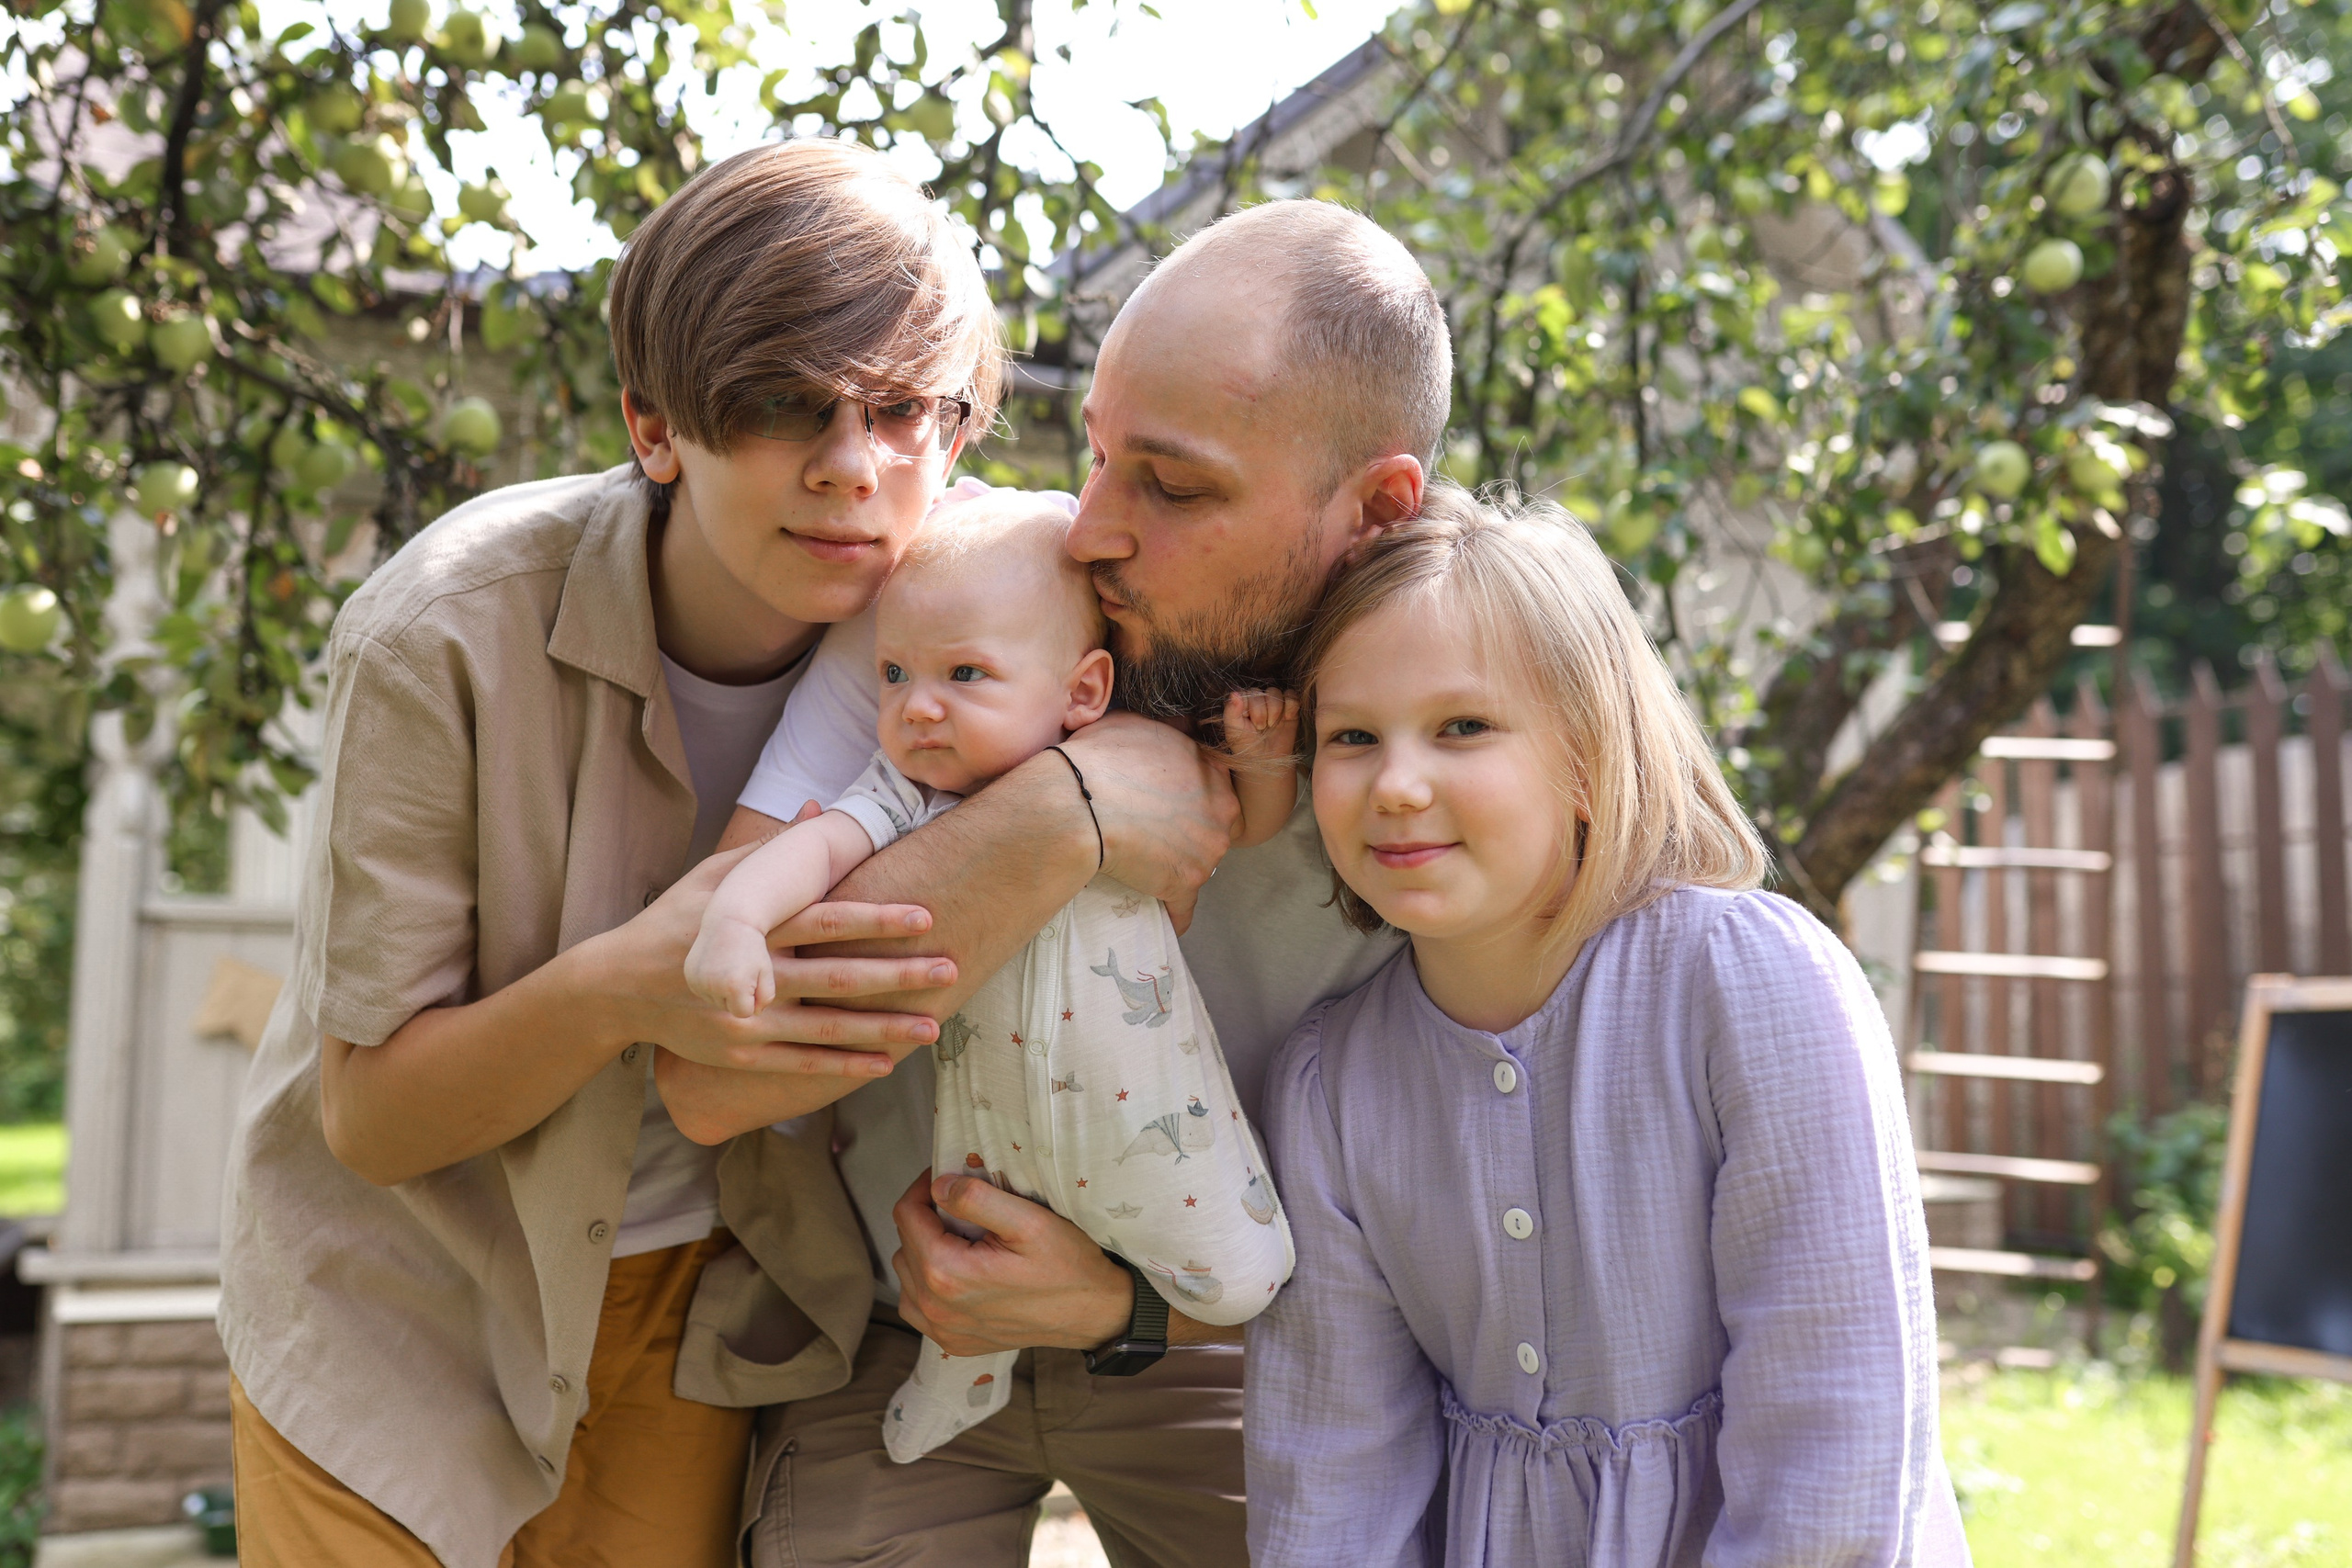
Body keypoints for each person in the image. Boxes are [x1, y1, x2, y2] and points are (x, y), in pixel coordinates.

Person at [215, 139, 999, 1568]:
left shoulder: (988, 631)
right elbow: (375, 1120)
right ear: (655, 423)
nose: (850, 466)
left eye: (902, 410)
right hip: (401, 1290)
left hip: (699, 1301)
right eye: (780, 405)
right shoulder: (441, 632)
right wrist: (619, 990)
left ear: (959, 429)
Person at [655, 198, 1453, 1565]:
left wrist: (1128, 1307)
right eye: (1094, 454)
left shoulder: (1455, 717)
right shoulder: (974, 597)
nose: (1089, 528)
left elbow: (1486, 1227)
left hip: (1234, 1337)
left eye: (1174, 484)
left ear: (1376, 511)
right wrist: (1062, 812)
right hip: (906, 1319)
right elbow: (715, 1073)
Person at [1244, 486, 1970, 1566]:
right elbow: (1332, 1479)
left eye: (1462, 728)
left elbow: (1836, 1431)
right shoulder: (1328, 1084)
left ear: (1587, 756)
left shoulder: (1752, 988)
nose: (1396, 783)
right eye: (1353, 736)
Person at [685, 489, 1298, 1464]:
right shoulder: (907, 795)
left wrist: (1262, 763)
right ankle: (962, 1378)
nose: (917, 706)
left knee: (1240, 1277)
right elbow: (811, 851)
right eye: (894, 674)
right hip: (989, 1127)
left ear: (1082, 691)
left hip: (1144, 1116)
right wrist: (735, 921)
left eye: (965, 674)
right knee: (964, 1270)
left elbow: (1228, 838)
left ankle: (1171, 1316)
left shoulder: (1131, 765)